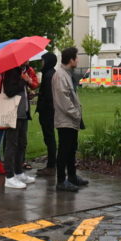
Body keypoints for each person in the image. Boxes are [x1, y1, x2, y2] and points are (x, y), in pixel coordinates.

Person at [52, 47, 86, 192]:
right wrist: (76, 114)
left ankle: (72, 176)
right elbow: (63, 100)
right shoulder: (60, 75)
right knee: (64, 150)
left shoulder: (66, 74)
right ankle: (61, 180)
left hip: (71, 120)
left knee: (72, 149)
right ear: (71, 59)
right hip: (66, 119)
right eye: (76, 58)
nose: (78, 60)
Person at [2, 66, 35, 189]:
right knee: (12, 144)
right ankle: (9, 176)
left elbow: (20, 90)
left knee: (22, 143)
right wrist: (23, 81)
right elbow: (9, 91)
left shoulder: (21, 71)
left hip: (22, 113)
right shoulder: (11, 71)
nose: (28, 59)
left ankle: (18, 171)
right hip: (14, 113)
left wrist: (27, 90)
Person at [36, 52, 59, 177]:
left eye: (43, 60)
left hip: (48, 112)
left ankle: (51, 165)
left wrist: (43, 102)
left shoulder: (49, 75)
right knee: (49, 137)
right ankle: (51, 164)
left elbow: (50, 95)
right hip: (47, 111)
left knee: (49, 137)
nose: (41, 63)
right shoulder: (49, 73)